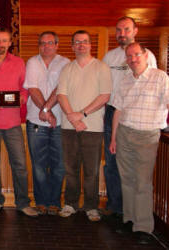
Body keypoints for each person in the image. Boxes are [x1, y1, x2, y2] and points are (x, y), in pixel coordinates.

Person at [109, 42, 169, 244]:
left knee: (142, 182)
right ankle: (129, 219)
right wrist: (113, 138)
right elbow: (118, 110)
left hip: (147, 136)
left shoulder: (160, 77)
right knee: (126, 179)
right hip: (124, 134)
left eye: (136, 54)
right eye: (129, 56)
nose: (133, 59)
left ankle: (144, 227)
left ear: (145, 55)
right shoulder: (126, 80)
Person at [0, 28, 38, 217]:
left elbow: (24, 89)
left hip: (12, 123)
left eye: (5, 41)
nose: (1, 44)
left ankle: (22, 202)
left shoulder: (19, 63)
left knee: (19, 163)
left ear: (10, 43)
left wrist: (22, 98)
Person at [102, 16, 157, 219]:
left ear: (135, 31)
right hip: (113, 114)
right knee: (112, 162)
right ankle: (116, 207)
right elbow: (105, 88)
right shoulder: (109, 57)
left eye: (126, 29)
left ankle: (134, 212)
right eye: (118, 30)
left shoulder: (147, 55)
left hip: (139, 118)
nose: (121, 34)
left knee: (135, 169)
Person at [57, 30, 112, 222]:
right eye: (77, 42)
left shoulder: (101, 67)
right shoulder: (67, 69)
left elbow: (105, 96)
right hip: (68, 127)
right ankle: (70, 204)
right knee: (70, 168)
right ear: (72, 46)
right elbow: (61, 95)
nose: (81, 45)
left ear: (90, 45)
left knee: (91, 170)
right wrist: (74, 119)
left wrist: (82, 114)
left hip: (93, 128)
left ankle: (91, 207)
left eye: (85, 42)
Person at [24, 31, 69, 215]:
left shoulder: (65, 63)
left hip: (60, 122)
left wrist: (46, 110)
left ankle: (54, 202)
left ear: (57, 45)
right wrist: (45, 111)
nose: (46, 46)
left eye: (50, 43)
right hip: (35, 121)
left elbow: (61, 89)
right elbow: (33, 89)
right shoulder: (32, 62)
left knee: (59, 165)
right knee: (39, 165)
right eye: (42, 43)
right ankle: (41, 201)